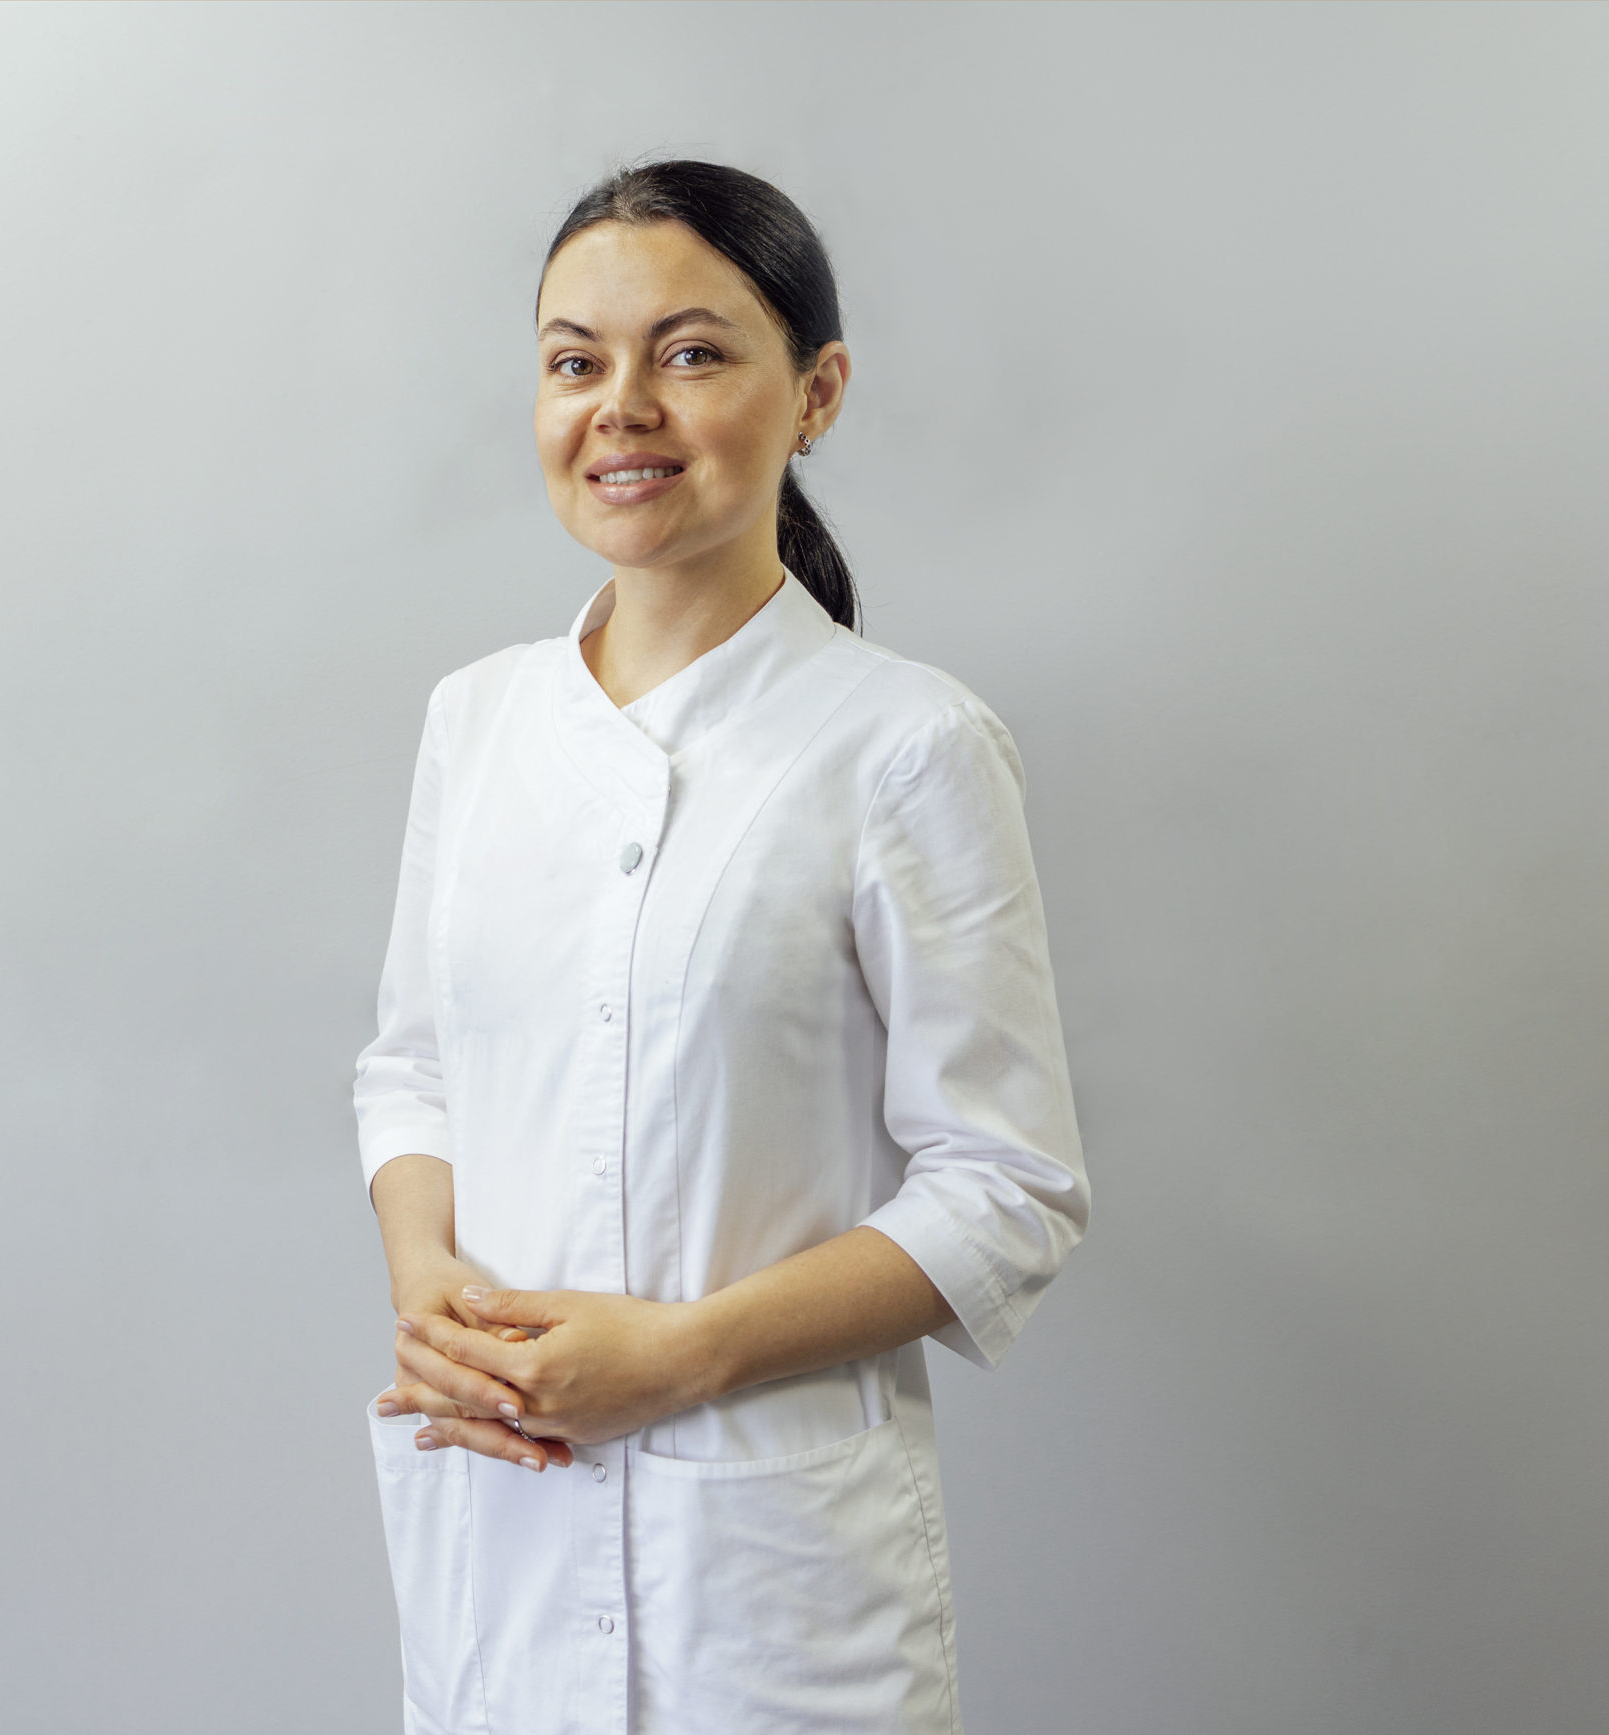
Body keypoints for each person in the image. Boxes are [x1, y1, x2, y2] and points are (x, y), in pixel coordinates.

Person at [352, 160, 1090, 1734]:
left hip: (768, 1594)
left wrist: (679, 1358)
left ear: (815, 393)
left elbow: (1009, 1188)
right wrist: (433, 1290)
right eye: (576, 360)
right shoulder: (476, 722)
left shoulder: (905, 745)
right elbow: (413, 1067)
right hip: (505, 1537)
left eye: (689, 353)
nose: (622, 406)